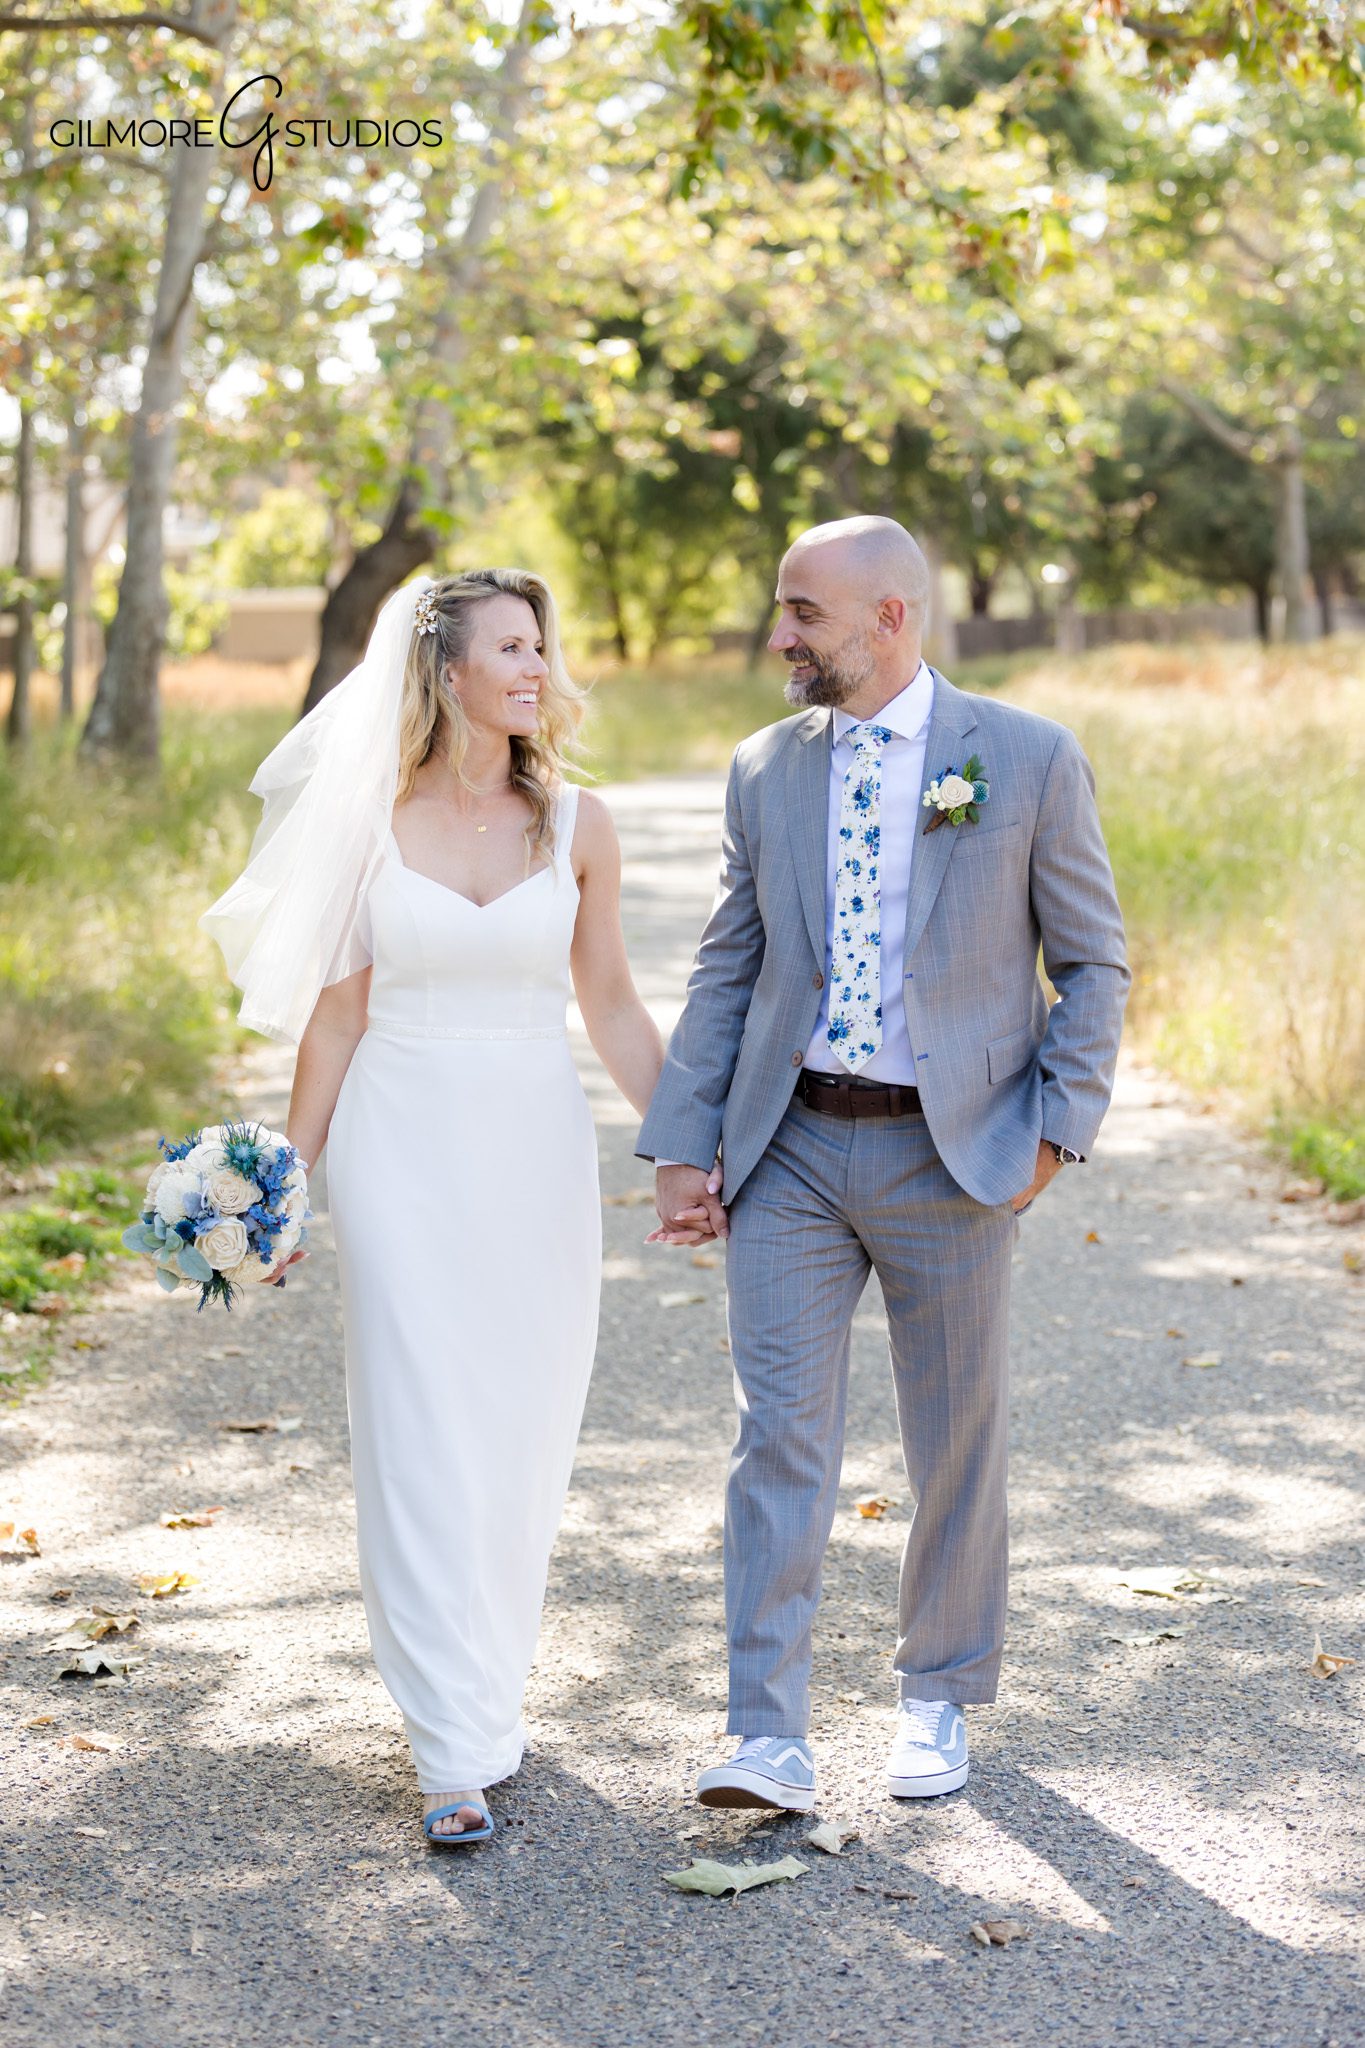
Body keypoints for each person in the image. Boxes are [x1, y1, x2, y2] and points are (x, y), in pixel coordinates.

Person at [639, 515, 1130, 1812]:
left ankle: (935, 1697)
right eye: (783, 609)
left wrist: (1053, 1134)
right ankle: (764, 1734)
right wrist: (685, 1143)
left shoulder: (1023, 759)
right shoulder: (765, 767)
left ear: (891, 619)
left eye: (803, 611)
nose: (779, 635)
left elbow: (1092, 962)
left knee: (954, 1441)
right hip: (790, 1145)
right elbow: (728, 963)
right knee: (775, 1438)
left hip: (955, 1157)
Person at [203, 570, 664, 1846]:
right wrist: (281, 1187)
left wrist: (692, 1149)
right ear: (446, 671)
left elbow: (614, 1006)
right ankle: (446, 1745)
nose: (534, 665)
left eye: (539, 644)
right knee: (418, 1425)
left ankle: (488, 1689)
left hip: (533, 1141)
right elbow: (337, 1018)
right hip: (398, 1139)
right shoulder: (370, 826)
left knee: (520, 1427)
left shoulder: (579, 824)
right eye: (508, 646)